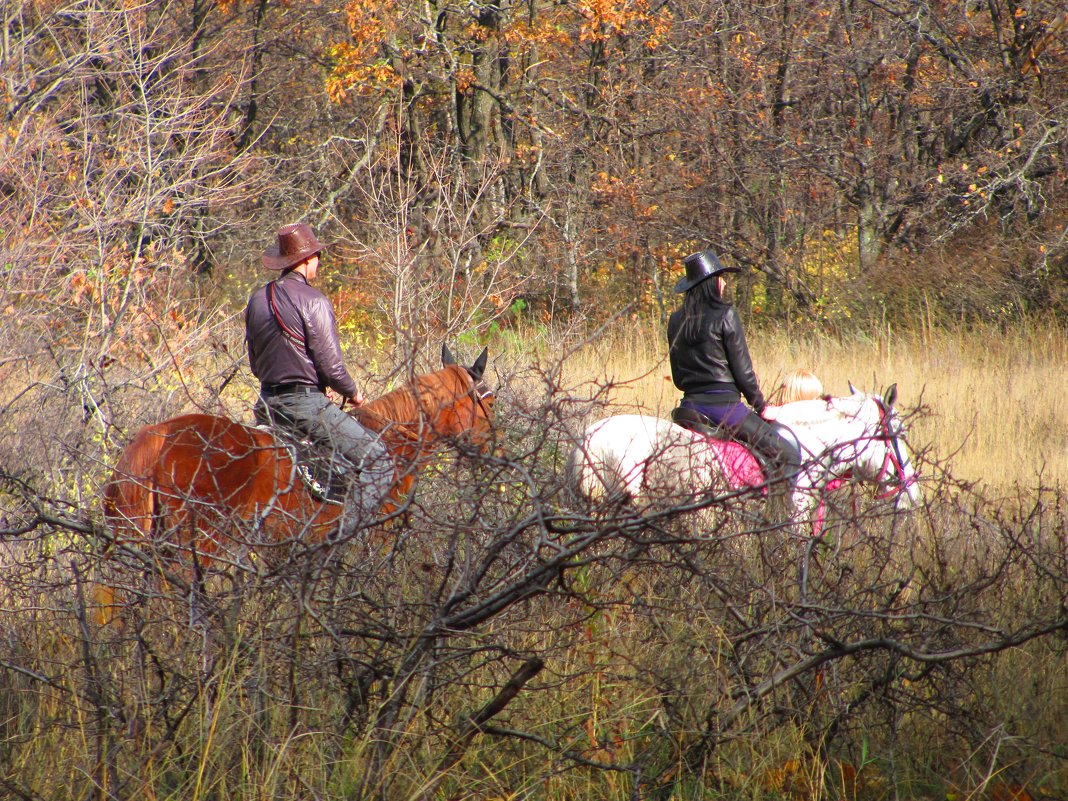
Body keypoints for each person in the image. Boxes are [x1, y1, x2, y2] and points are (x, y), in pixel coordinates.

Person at [245, 222, 393, 521]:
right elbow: (332, 367)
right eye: (317, 256)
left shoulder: (256, 300)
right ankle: (347, 539)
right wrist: (352, 392)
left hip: (267, 406)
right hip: (305, 407)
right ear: (306, 260)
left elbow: (255, 364)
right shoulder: (315, 301)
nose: (319, 262)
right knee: (379, 461)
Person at [667, 248, 802, 504]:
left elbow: (677, 378)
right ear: (711, 283)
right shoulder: (726, 315)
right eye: (721, 277)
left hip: (688, 407)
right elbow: (744, 372)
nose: (724, 282)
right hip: (725, 410)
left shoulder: (675, 320)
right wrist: (761, 406)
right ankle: (779, 523)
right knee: (789, 455)